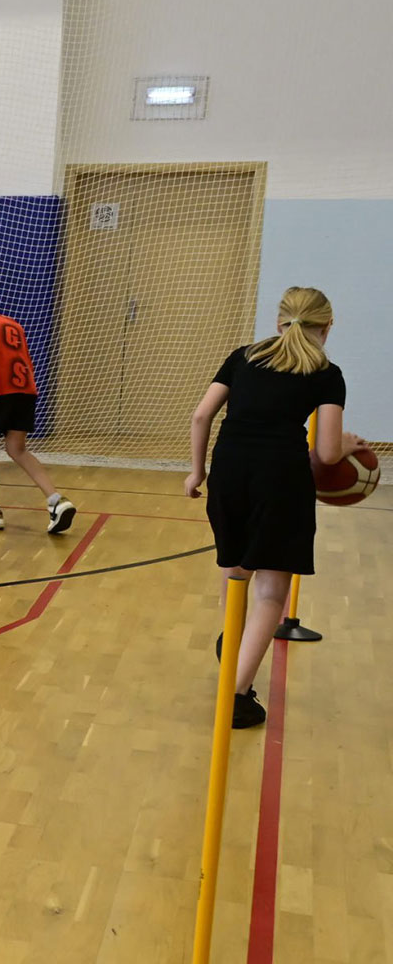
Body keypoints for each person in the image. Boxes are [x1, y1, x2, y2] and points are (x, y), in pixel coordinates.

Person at [184, 286, 363, 728]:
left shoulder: (243, 357)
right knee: (270, 592)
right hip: (281, 478)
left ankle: (234, 641)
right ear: (328, 327)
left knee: (235, 569)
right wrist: (347, 445)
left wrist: (196, 471)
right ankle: (235, 696)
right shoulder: (326, 372)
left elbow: (201, 415)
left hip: (228, 470)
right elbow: (327, 453)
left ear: (278, 321)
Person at [0, 291, 76, 534]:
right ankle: (56, 500)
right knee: (17, 448)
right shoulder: (11, 323)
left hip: (0, 391)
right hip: (25, 390)